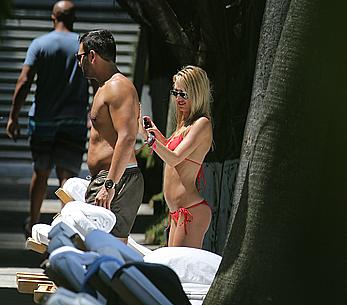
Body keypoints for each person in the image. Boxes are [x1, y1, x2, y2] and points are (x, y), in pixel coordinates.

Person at [6, 0, 89, 237]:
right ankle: (64, 229)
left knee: (40, 171)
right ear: (74, 20)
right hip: (74, 121)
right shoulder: (83, 46)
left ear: (53, 18)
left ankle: (33, 222)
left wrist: (13, 116)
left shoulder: (40, 44)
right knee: (68, 178)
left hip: (43, 120)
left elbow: (24, 81)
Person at [77, 29, 144, 243]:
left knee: (98, 250)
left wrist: (109, 186)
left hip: (116, 180)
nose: (79, 63)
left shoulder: (117, 87)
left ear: (92, 56)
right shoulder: (105, 87)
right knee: (107, 254)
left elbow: (127, 138)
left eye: (80, 57)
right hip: (113, 178)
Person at [140, 65, 213, 248]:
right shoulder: (185, 124)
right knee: (174, 268)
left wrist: (153, 141)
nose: (178, 99)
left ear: (197, 93)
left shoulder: (202, 123)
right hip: (177, 211)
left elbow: (173, 158)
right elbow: (170, 154)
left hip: (191, 210)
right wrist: (152, 133)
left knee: (180, 271)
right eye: (175, 93)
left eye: (184, 94)